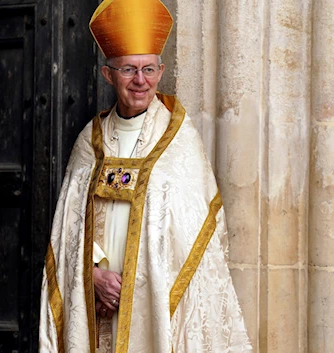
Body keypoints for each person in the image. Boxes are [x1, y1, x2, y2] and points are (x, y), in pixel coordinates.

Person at [39, 0, 252, 352]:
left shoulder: (179, 140)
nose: (141, 81)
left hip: (154, 304)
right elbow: (69, 230)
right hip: (95, 304)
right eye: (129, 70)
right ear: (109, 75)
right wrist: (92, 277)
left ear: (161, 70)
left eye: (149, 70)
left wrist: (138, 284)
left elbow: (196, 240)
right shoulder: (88, 142)